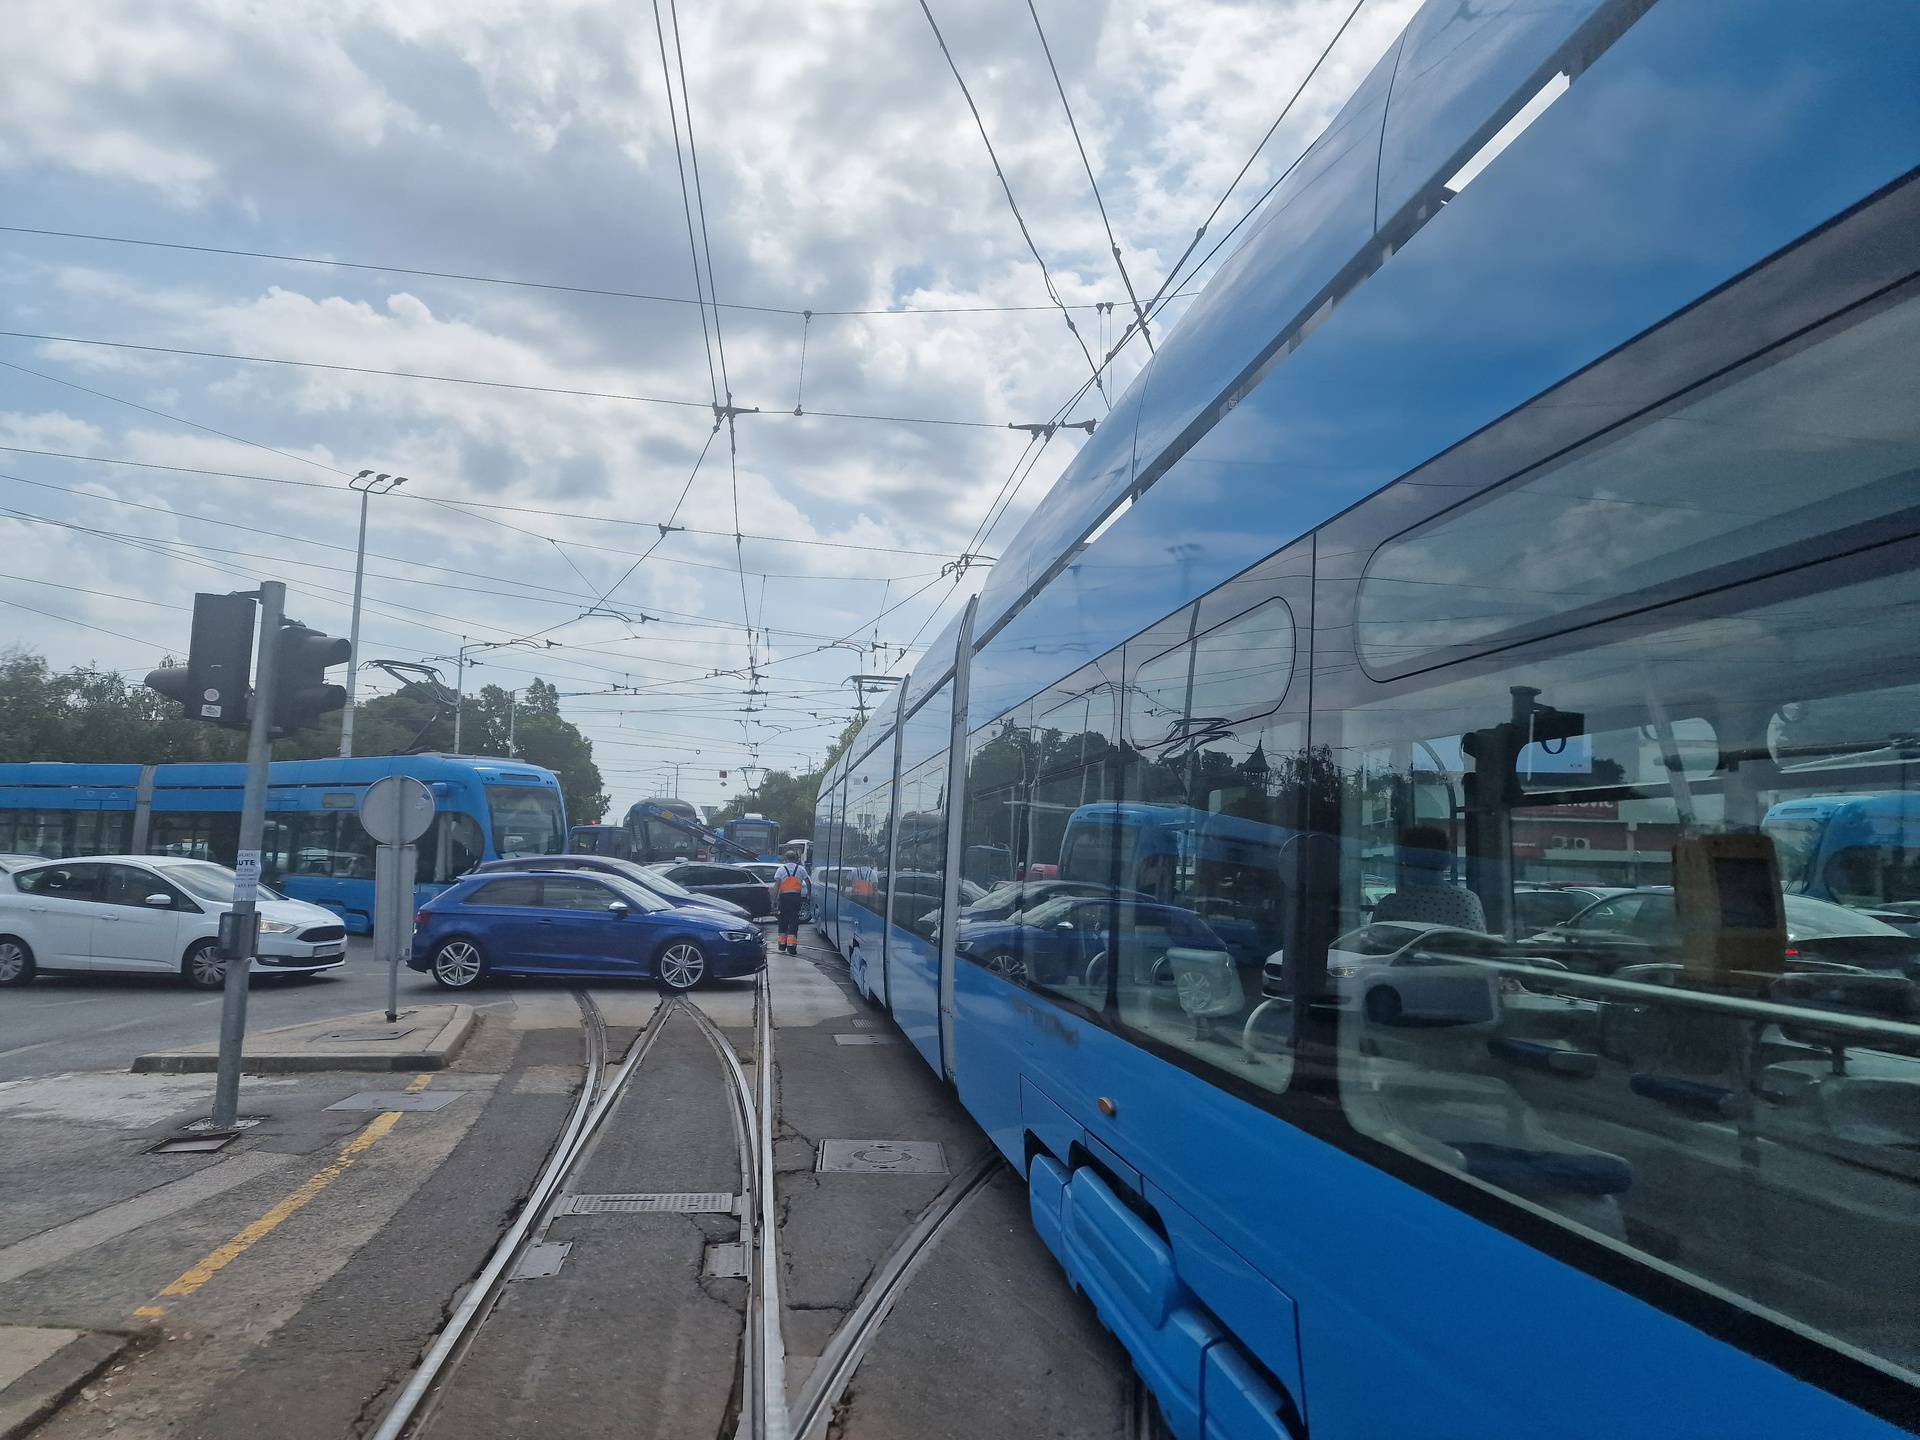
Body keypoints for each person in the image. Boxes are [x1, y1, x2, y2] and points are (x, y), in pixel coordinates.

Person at [1371, 825, 1487, 931]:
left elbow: (1376, 948)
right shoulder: (1467, 900)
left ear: (1405, 861)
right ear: (1446, 861)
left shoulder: (1390, 904)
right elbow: (1480, 946)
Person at [772, 847, 811, 955]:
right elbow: (808, 882)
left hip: (784, 898)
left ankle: (782, 946)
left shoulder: (780, 869)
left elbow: (776, 886)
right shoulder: (801, 869)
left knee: (783, 921)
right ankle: (791, 948)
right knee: (794, 921)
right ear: (795, 859)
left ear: (785, 859)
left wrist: (774, 900)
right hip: (795, 898)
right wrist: (808, 894)